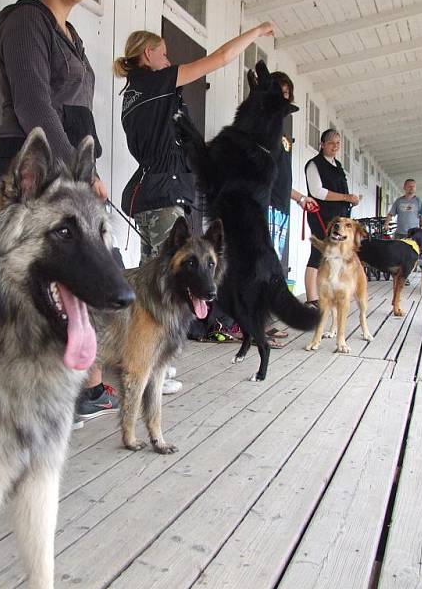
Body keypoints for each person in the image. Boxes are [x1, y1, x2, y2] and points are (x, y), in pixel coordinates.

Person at [0, 0, 116, 425]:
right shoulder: (27, 19)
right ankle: (22, 401)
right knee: (25, 292)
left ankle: (81, 389)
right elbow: (33, 104)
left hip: (73, 177)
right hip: (38, 177)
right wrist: (75, 178)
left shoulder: (73, 36)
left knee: (77, 285)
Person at [113, 22, 274, 266]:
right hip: (165, 194)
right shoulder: (159, 82)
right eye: (164, 54)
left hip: (146, 195)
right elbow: (221, 57)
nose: (168, 61)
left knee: (151, 283)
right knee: (173, 280)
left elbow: (168, 141)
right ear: (148, 53)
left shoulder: (130, 96)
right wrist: (257, 31)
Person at [265, 70, 317, 346]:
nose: (284, 98)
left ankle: (267, 321)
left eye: (287, 94)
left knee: (274, 268)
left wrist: (298, 198)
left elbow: (282, 177)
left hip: (282, 207)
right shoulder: (261, 124)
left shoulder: (281, 128)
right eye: (279, 92)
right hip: (265, 207)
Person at [303, 129, 361, 306]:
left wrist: (351, 200)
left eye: (337, 143)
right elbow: (317, 191)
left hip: (340, 219)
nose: (335, 146)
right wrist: (345, 197)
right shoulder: (314, 164)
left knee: (337, 255)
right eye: (331, 143)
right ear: (322, 144)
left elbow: (342, 191)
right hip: (322, 216)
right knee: (318, 252)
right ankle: (311, 298)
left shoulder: (338, 165)